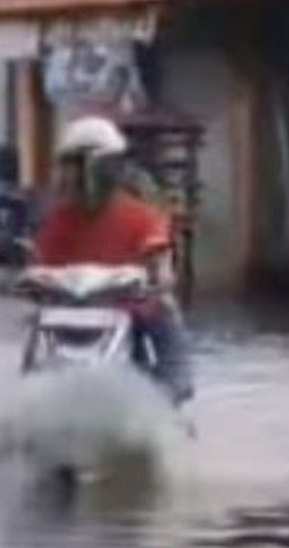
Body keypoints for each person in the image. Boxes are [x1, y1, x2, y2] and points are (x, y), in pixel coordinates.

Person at [32, 116, 193, 406]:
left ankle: (170, 394)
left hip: (130, 309)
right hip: (71, 310)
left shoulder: (141, 216)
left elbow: (159, 259)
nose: (69, 175)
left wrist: (158, 278)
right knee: (37, 332)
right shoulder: (59, 220)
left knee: (166, 313)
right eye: (67, 165)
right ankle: (25, 407)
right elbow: (41, 265)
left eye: (76, 165)